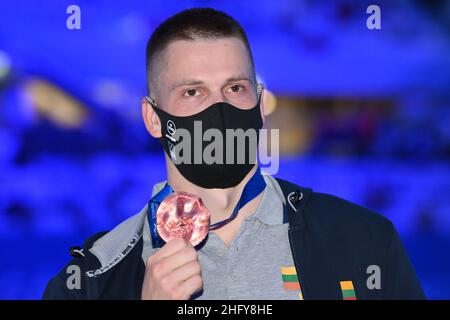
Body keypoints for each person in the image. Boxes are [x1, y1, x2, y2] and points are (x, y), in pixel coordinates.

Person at [43, 7, 425, 300]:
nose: (220, 109)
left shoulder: (364, 242)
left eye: (235, 88)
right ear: (154, 118)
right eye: (193, 92)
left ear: (260, 106)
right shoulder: (91, 279)